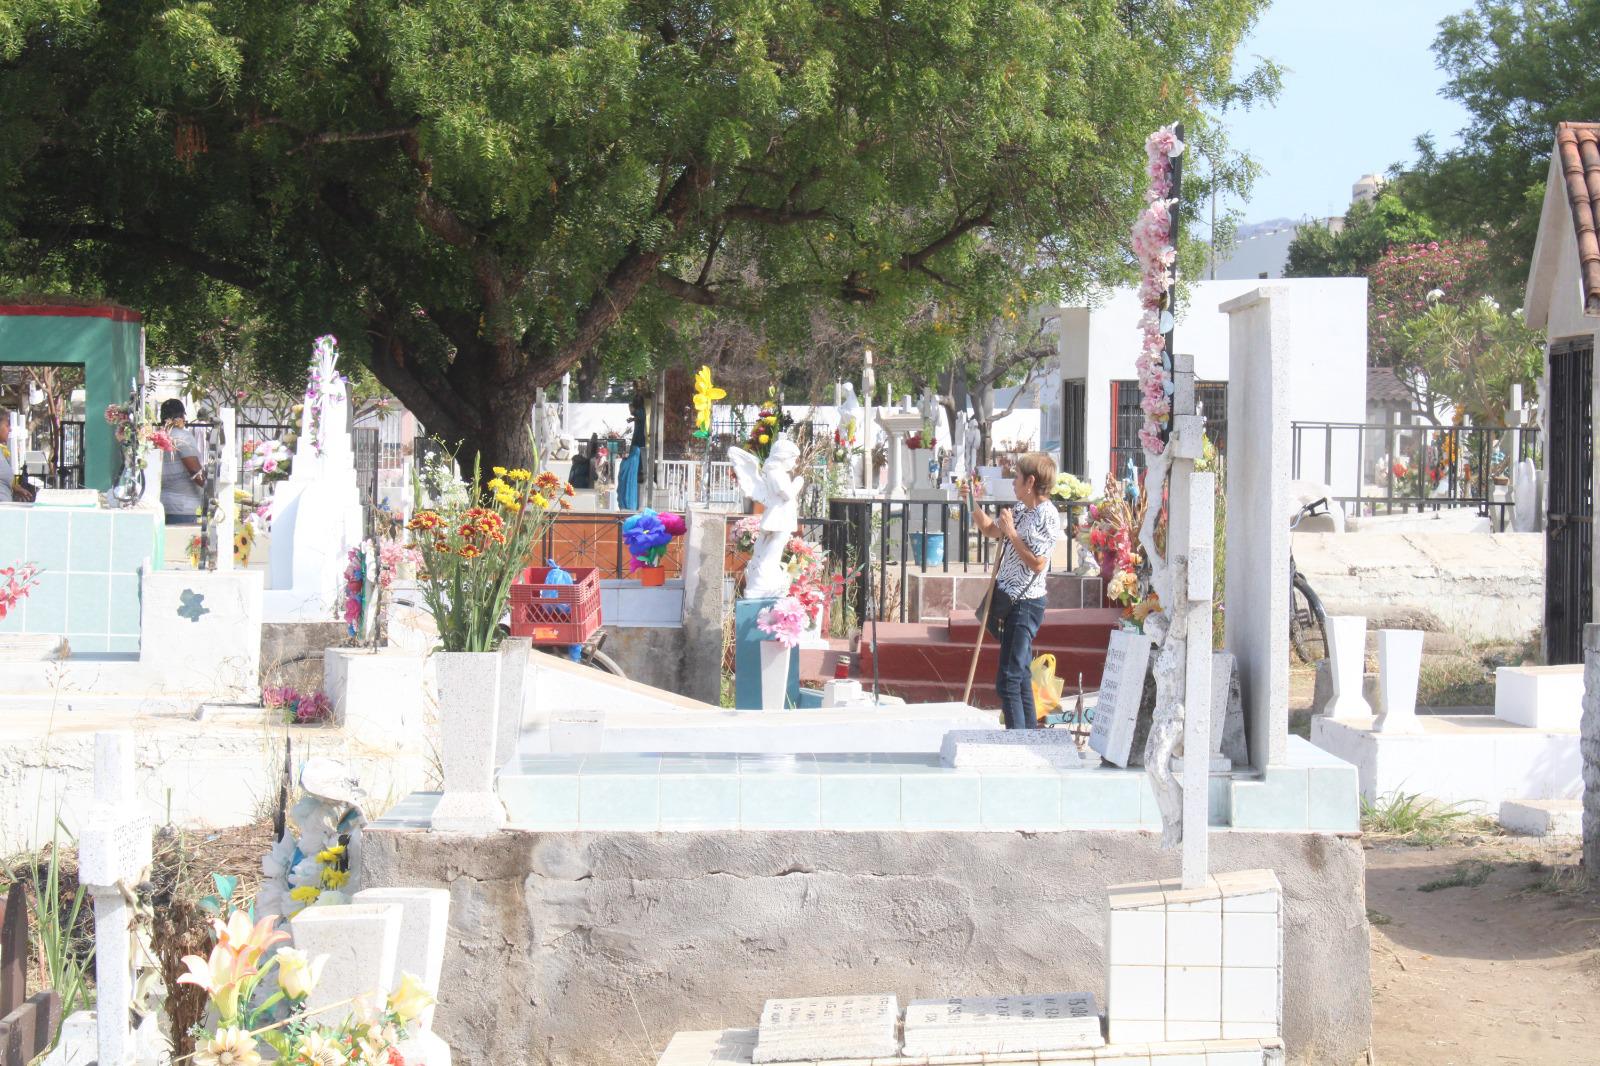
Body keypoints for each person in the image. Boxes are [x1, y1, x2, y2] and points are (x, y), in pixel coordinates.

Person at [967, 452, 1063, 729]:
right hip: (1008, 599)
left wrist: (1013, 534)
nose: (1013, 483)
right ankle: (1028, 734)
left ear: (1031, 482)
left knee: (1008, 677)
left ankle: (1018, 739)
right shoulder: (1020, 511)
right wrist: (970, 501)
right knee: (1019, 674)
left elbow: (1038, 563)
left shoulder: (1048, 515)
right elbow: (988, 529)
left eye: (1017, 478)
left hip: (1026, 604)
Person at [159, 399, 205, 525]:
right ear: (181, 416)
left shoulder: (158, 437)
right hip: (184, 507)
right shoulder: (182, 437)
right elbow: (195, 471)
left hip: (163, 504)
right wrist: (210, 489)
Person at [0, 415, 36, 503]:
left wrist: (17, 488)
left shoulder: (2, 451)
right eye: (7, 425)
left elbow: (4, 477)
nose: (10, 430)